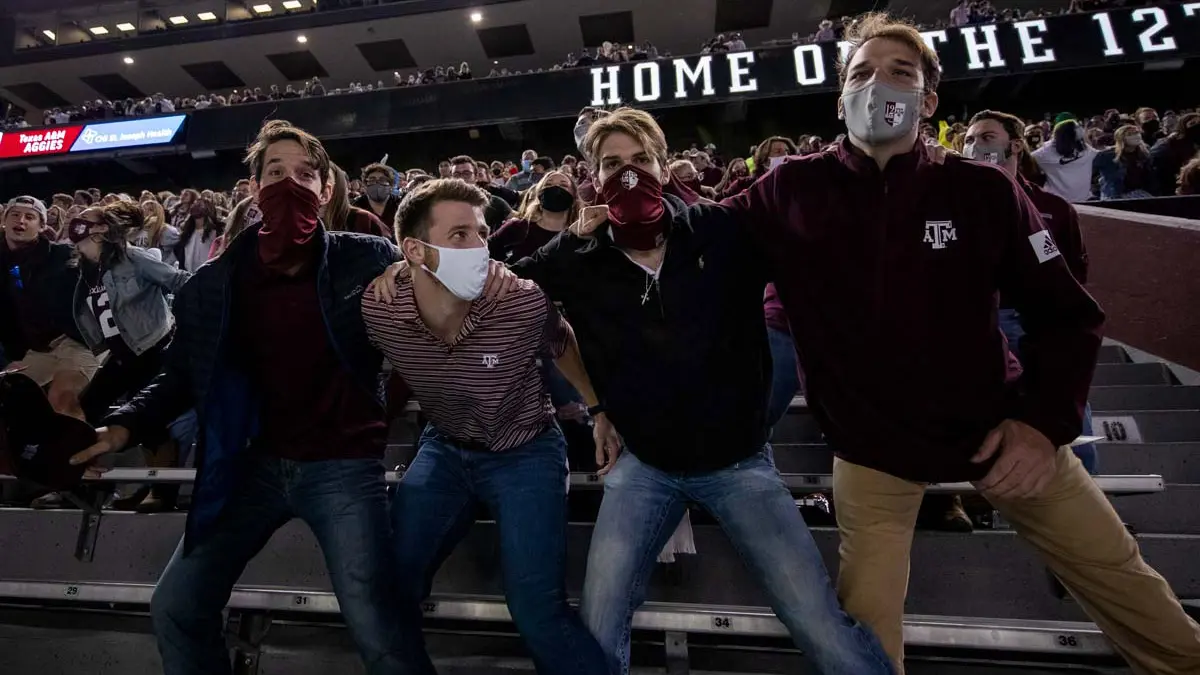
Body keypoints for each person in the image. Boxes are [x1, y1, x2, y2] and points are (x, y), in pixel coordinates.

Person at [705, 13, 1200, 673]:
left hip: (996, 429)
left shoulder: (982, 189)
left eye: (899, 72)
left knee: (1126, 581)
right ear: (839, 95)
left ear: (929, 99)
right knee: (866, 638)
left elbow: (1066, 314)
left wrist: (1040, 424)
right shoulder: (788, 187)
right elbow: (694, 242)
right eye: (861, 72)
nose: (877, 84)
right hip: (870, 447)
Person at [457, 107, 896, 674]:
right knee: (598, 622)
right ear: (591, 177)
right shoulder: (581, 258)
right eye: (612, 164)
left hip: (738, 464)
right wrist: (569, 245)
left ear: (665, 168)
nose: (629, 174)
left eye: (641, 160)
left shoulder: (720, 228)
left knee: (816, 619)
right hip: (646, 465)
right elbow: (501, 290)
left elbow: (815, 221)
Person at [68, 119, 439, 675]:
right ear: (253, 188)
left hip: (341, 464)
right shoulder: (215, 281)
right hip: (249, 465)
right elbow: (179, 375)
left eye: (305, 173)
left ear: (327, 189)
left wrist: (413, 278)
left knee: (376, 626)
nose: (290, 182)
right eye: (275, 172)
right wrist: (123, 424)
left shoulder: (366, 255)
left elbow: (422, 328)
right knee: (177, 604)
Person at [362, 179, 610, 675]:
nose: (479, 247)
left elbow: (561, 344)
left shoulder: (519, 300)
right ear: (415, 249)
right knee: (391, 585)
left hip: (526, 450)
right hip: (446, 446)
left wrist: (598, 409)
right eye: (459, 235)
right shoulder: (379, 309)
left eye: (481, 232)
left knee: (536, 607)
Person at [962, 109, 1098, 474]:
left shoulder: (1053, 209)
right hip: (973, 328)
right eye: (970, 140)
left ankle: (1088, 498)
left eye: (987, 138)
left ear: (1016, 146)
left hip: (1035, 326)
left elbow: (1072, 275)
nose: (975, 146)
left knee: (1065, 410)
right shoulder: (951, 206)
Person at [67, 202, 191, 512]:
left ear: (102, 229)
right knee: (86, 409)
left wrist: (192, 323)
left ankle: (162, 492)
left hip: (153, 348)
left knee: (151, 423)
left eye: (86, 219)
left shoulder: (133, 258)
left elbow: (180, 281)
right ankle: (86, 484)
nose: (77, 223)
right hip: (121, 352)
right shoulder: (84, 269)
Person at [0, 196, 100, 422]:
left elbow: (103, 272)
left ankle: (84, 457)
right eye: (15, 214)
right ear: (4, 220)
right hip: (37, 350)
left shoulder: (63, 255)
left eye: (30, 217)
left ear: (42, 226)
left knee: (62, 399)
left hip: (77, 341)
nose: (21, 221)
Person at [488, 171, 580, 262]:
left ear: (574, 196)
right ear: (539, 195)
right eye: (548, 184)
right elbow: (485, 251)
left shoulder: (581, 235)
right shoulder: (517, 227)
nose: (555, 188)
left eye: (563, 185)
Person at [1031, 118, 1099, 202]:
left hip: (1056, 202)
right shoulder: (1088, 152)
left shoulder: (1043, 154)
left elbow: (1029, 158)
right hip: (1082, 201)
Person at [1094, 124, 1159, 200]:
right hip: (1114, 195)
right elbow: (1092, 172)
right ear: (1121, 138)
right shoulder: (1107, 155)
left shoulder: (1145, 154)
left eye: (1137, 133)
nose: (1135, 136)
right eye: (1130, 134)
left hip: (1137, 192)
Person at [447, 155, 513, 229]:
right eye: (456, 174)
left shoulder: (494, 203)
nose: (461, 178)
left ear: (475, 177)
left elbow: (517, 224)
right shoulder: (443, 206)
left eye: (467, 174)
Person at [353, 162, 402, 229]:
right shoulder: (355, 206)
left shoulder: (400, 205)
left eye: (382, 180)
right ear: (365, 185)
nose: (377, 183)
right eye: (372, 180)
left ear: (391, 186)